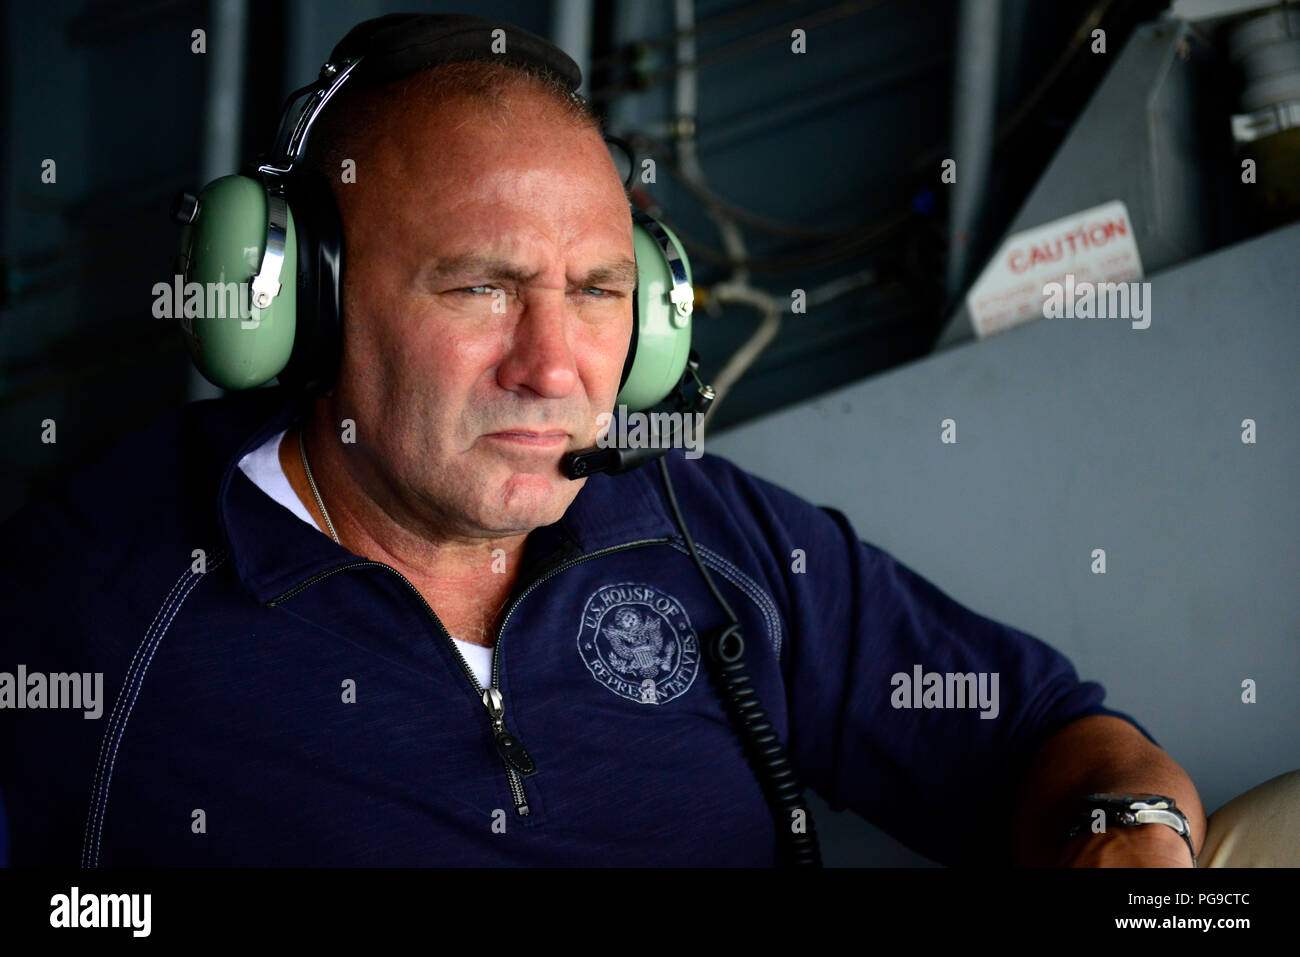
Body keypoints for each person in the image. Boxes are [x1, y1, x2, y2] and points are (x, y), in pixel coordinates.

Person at [0, 14, 1205, 868]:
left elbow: (1048, 735)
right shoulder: (87, 605)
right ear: (298, 308)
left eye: (594, 291)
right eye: (476, 289)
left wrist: (1127, 833)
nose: (555, 368)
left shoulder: (707, 527)